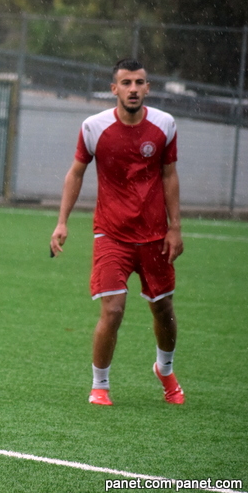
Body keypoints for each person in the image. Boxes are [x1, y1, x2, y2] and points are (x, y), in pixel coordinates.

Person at [50, 58, 185, 406]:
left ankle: (165, 370)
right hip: (111, 234)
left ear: (148, 88)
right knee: (113, 310)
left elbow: (169, 175)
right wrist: (62, 222)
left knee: (163, 308)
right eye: (126, 83)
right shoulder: (93, 127)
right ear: (114, 89)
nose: (133, 89)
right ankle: (100, 386)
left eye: (139, 82)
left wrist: (175, 228)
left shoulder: (164, 124)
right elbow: (76, 173)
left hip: (155, 236)